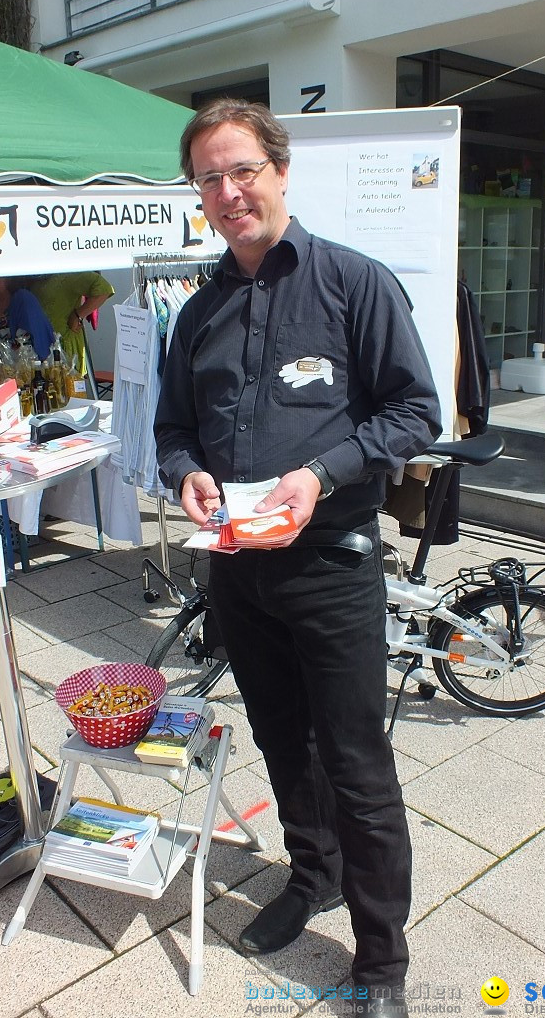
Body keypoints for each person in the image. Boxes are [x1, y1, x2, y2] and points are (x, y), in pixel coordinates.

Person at [154, 100, 442, 1016]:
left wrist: (322, 472)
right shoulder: (198, 310)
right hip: (236, 568)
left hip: (331, 563)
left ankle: (382, 960)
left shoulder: (354, 284)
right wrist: (188, 474)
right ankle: (311, 876)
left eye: (242, 169)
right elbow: (171, 430)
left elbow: (413, 413)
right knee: (282, 740)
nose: (228, 191)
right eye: (209, 177)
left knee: (356, 761)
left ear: (280, 170)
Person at [31, 272, 115, 377]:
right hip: (36, 346)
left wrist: (78, 315)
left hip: (63, 346)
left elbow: (104, 289)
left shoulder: (68, 272)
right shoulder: (33, 271)